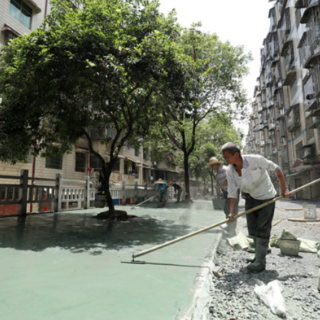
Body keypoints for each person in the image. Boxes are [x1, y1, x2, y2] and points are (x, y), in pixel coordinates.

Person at [221, 142, 291, 272]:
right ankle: (257, 256)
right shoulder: (231, 171)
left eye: (227, 157)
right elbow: (232, 192)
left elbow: (276, 168)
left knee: (263, 228)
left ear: (236, 154)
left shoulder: (256, 160)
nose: (226, 159)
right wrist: (231, 213)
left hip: (266, 196)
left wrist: (284, 189)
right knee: (252, 228)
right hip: (250, 197)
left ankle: (260, 262)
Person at [206, 157, 239, 237]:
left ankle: (232, 230)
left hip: (233, 191)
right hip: (225, 192)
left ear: (216, 164)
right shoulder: (217, 174)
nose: (212, 168)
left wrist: (220, 185)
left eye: (212, 166)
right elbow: (218, 185)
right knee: (226, 209)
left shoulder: (225, 170)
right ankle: (229, 225)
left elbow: (230, 181)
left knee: (232, 210)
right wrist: (218, 194)